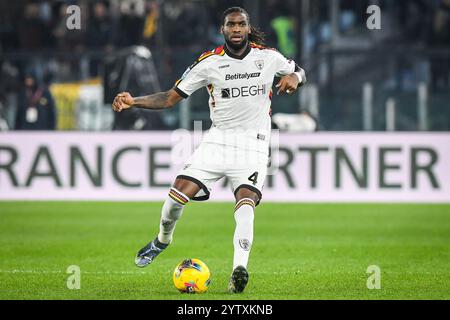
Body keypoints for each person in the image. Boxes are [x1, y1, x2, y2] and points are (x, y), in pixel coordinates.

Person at [112, 6, 306, 293]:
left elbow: (298, 69)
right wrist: (133, 101)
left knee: (246, 204)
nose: (237, 29)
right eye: (231, 25)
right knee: (175, 199)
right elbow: (169, 98)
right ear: (223, 29)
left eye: (241, 24)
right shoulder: (208, 63)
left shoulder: (268, 57)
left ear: (248, 28)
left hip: (253, 145)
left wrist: (296, 78)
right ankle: (163, 240)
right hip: (216, 142)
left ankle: (239, 269)